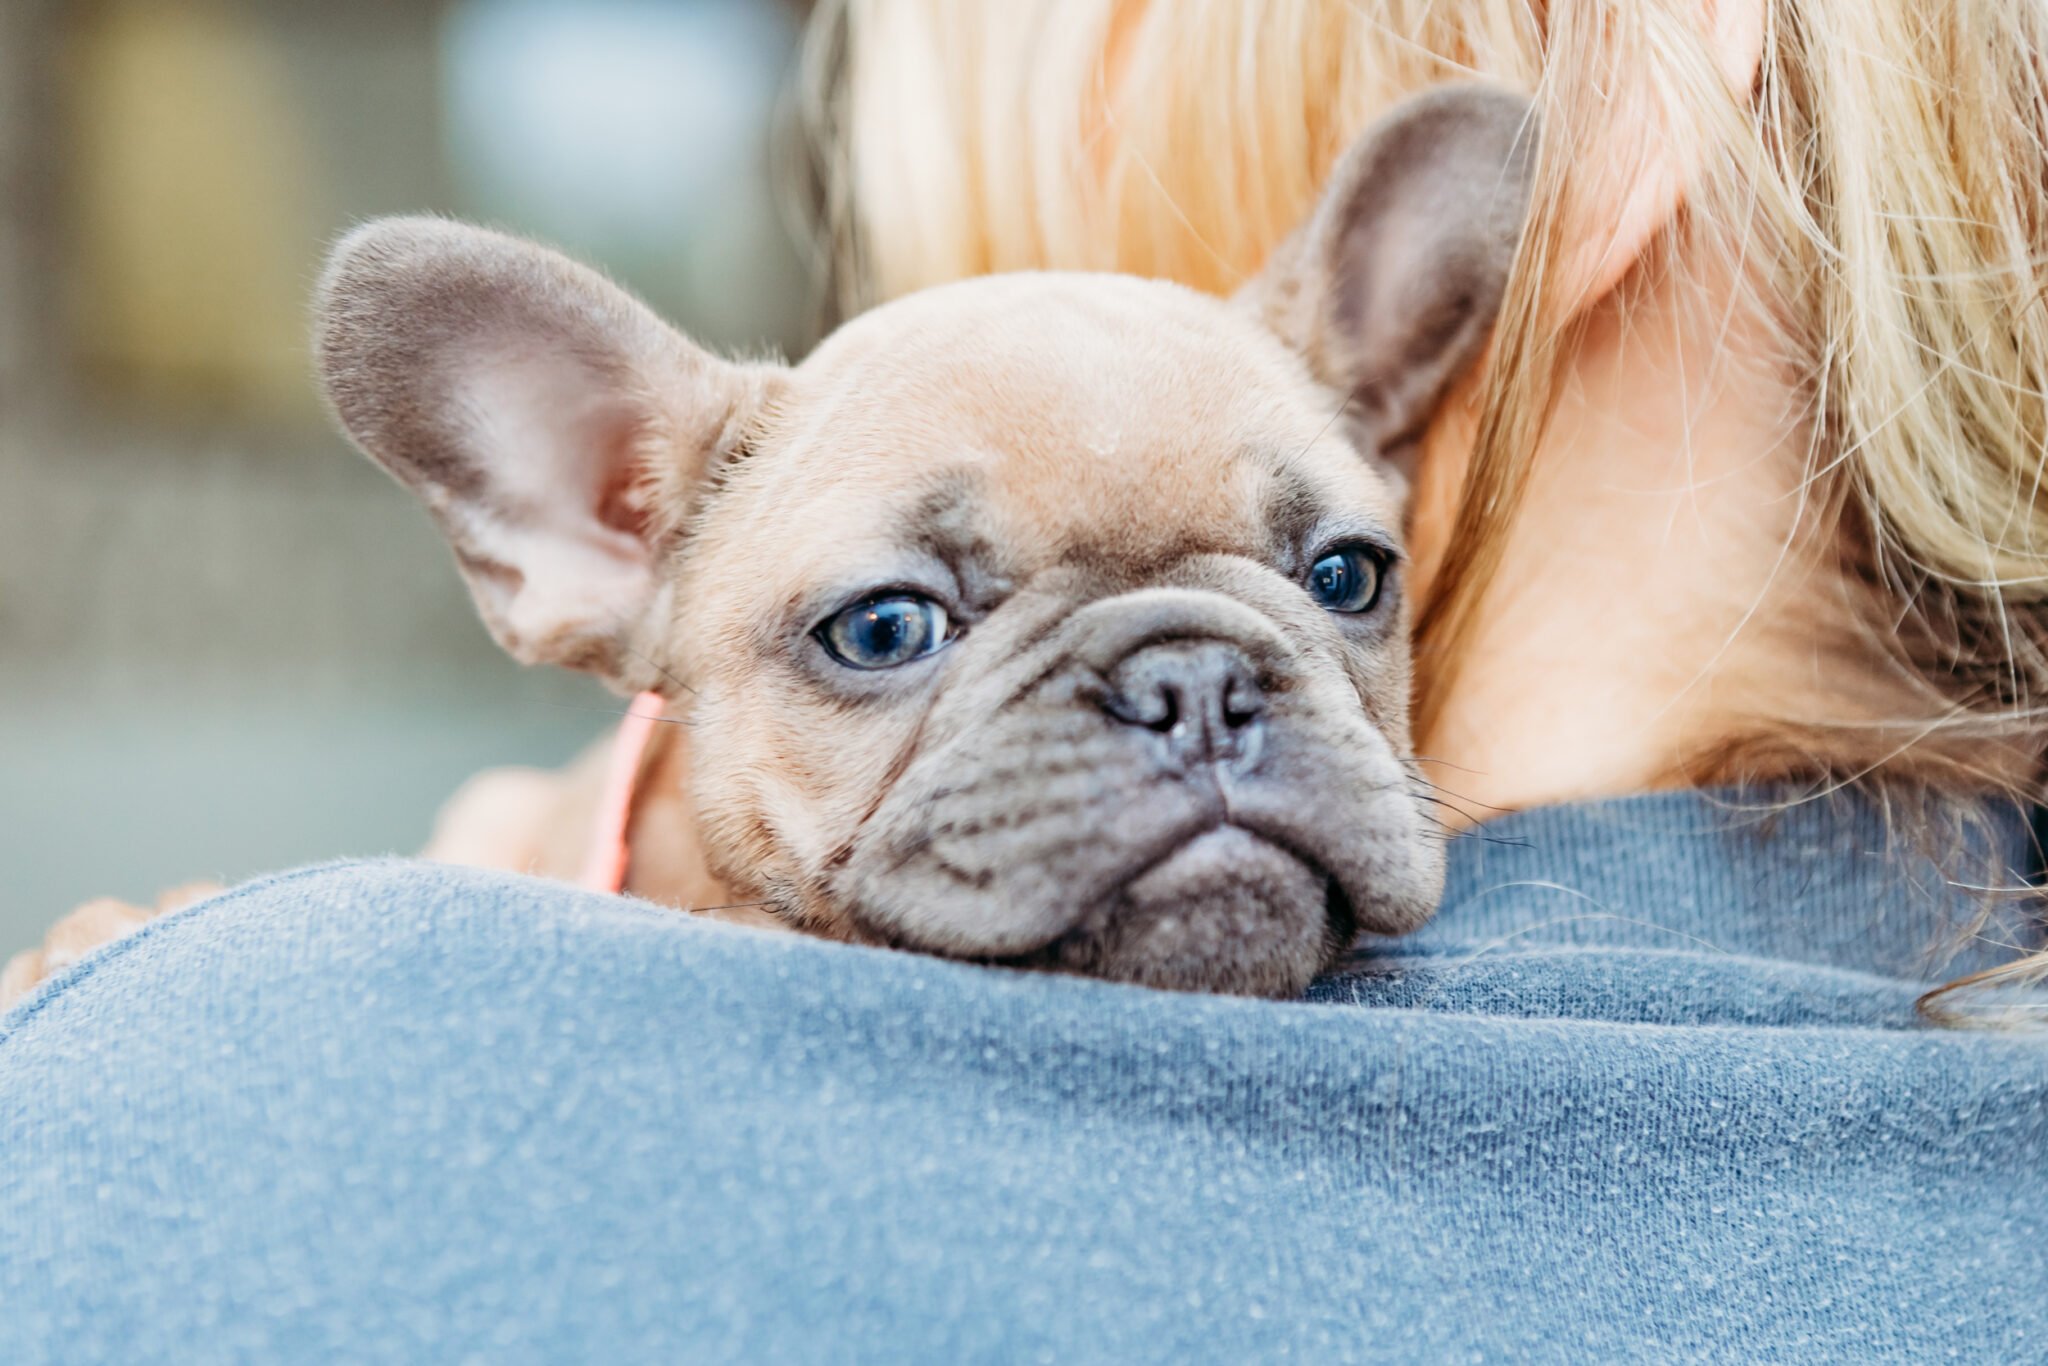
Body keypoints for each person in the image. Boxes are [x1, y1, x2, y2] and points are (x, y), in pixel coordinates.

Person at [3, 1, 2043, 1359]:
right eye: (889, 628)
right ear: (583, 536)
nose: (1188, 704)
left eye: (1332, 577)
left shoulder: (257, 1112)